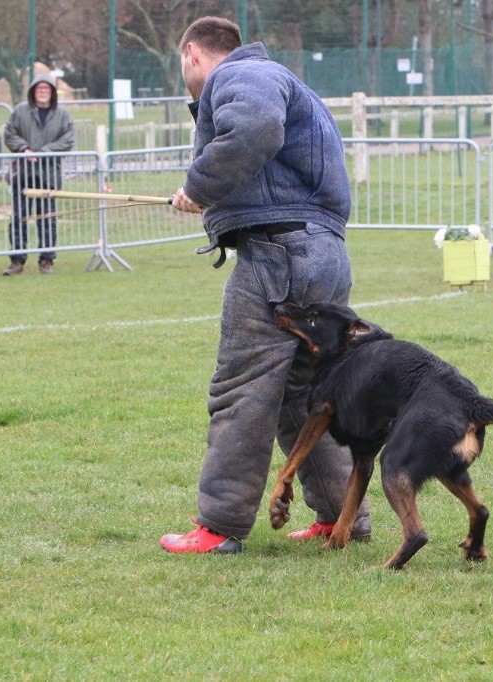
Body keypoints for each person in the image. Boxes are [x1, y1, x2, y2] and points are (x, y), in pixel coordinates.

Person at [160, 17, 370, 555]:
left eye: (182, 66)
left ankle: (219, 526)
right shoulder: (276, 76)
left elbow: (253, 130)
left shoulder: (241, 76)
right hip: (320, 251)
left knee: (243, 390)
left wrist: (199, 187)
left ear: (193, 52)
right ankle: (340, 516)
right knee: (304, 397)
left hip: (279, 254)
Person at [1, 73, 74, 275]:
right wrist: (24, 149)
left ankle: (47, 260)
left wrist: (45, 152)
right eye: (39, 89)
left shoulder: (62, 115)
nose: (43, 92)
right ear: (33, 91)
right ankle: (17, 260)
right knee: (19, 218)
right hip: (22, 174)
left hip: (48, 175)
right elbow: (9, 133)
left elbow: (67, 140)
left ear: (52, 92)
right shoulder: (20, 112)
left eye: (47, 89)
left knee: (47, 217)